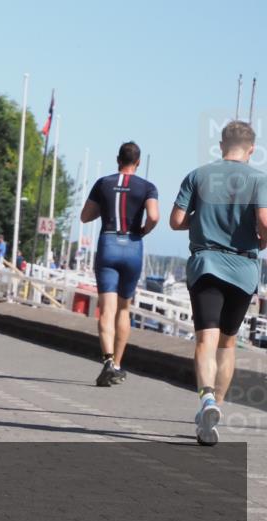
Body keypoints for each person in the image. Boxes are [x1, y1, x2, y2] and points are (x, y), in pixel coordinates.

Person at [169, 121, 267, 446]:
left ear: (221, 144)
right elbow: (265, 222)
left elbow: (176, 220)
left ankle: (206, 399)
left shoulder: (198, 175)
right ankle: (214, 416)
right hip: (243, 269)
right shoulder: (260, 180)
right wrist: (261, 243)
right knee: (228, 343)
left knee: (205, 341)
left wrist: (202, 219)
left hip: (207, 264)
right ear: (251, 148)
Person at [80, 141, 159, 387]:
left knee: (107, 309)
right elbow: (154, 216)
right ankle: (117, 365)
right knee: (124, 310)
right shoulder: (147, 187)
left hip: (109, 243)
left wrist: (104, 207)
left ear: (118, 159)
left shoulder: (103, 183)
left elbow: (85, 216)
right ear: (138, 162)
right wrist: (143, 230)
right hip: (133, 246)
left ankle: (107, 359)